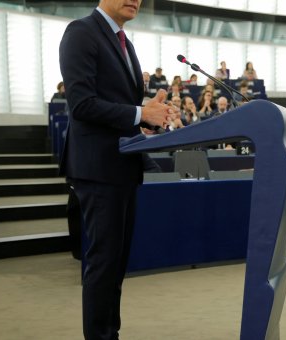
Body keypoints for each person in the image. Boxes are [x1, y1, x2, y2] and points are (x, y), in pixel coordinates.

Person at [58, 1, 174, 338]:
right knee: (103, 264)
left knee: (117, 264)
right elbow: (81, 104)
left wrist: (146, 120)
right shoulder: (81, 32)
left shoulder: (126, 43)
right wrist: (140, 114)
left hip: (124, 164)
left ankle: (111, 333)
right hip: (98, 168)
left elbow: (124, 107)